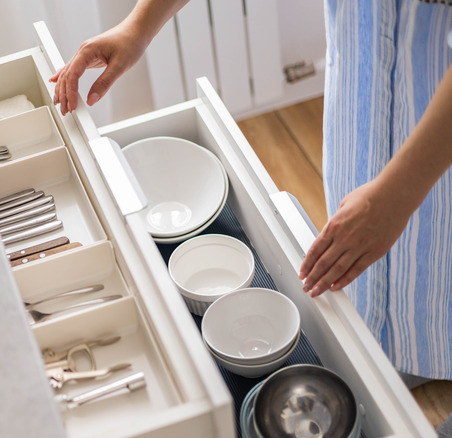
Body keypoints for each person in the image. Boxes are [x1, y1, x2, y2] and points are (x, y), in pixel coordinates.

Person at [51, 0, 452, 435]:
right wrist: (139, 25)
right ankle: (406, 351)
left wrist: (399, 193)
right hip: (367, 80)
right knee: (390, 277)